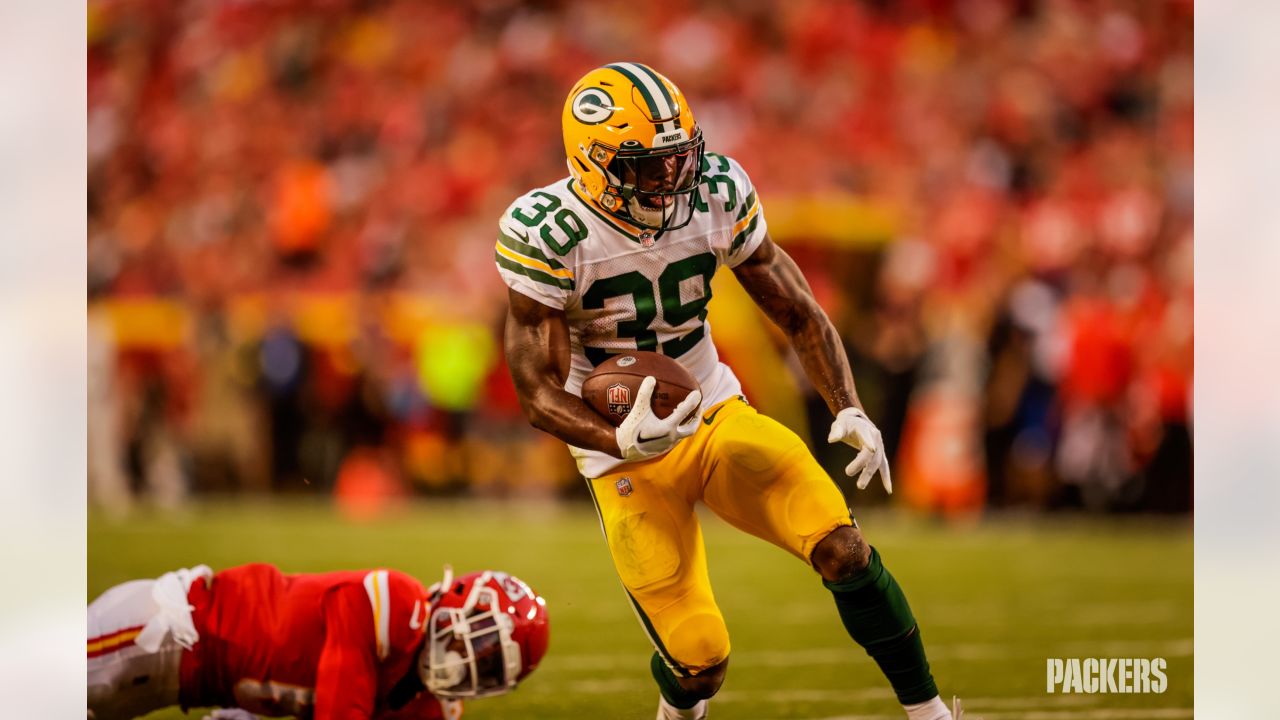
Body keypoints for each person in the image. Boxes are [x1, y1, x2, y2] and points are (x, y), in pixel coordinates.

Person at [497, 62, 958, 720]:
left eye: (677, 159)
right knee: (700, 664)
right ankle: (678, 708)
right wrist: (618, 437)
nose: (669, 180)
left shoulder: (715, 192)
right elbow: (536, 392)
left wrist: (848, 406)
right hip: (619, 455)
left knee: (843, 548)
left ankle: (932, 713)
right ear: (593, 164)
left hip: (711, 408)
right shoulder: (550, 233)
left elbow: (797, 311)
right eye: (646, 167)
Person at [87, 563, 549, 720]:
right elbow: (340, 700)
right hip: (172, 628)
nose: (466, 667)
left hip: (199, 682)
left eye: (487, 672)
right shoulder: (398, 602)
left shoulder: (429, 707)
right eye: (478, 647)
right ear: (455, 603)